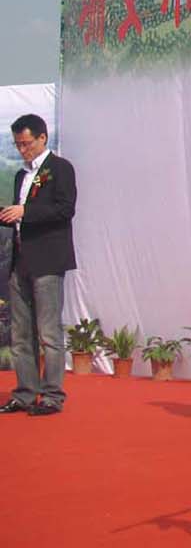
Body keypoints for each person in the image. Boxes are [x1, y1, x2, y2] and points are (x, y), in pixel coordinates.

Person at [0, 114, 77, 415]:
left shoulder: (60, 168)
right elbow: (20, 217)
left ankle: (52, 395)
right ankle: (25, 392)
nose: (23, 149)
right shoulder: (22, 175)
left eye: (27, 143)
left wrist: (25, 211)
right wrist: (8, 214)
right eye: (18, 145)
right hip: (21, 259)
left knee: (48, 332)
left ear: (42, 138)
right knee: (20, 333)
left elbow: (65, 209)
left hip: (48, 259)